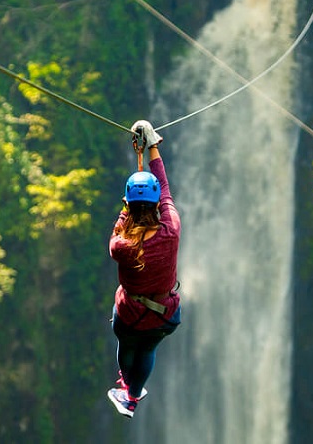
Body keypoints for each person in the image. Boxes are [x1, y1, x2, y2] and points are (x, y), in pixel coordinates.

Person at [107, 120, 181, 418]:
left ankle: (127, 391)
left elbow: (119, 227)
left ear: (128, 203)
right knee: (149, 348)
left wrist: (126, 208)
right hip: (165, 314)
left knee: (128, 344)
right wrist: (151, 147)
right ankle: (134, 394)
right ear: (154, 205)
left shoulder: (121, 246)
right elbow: (163, 187)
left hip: (130, 315)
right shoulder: (170, 230)